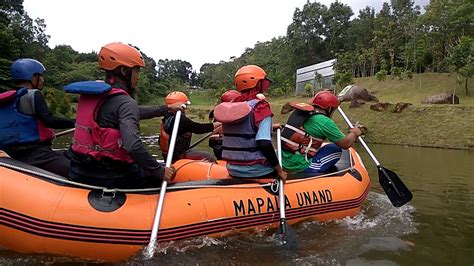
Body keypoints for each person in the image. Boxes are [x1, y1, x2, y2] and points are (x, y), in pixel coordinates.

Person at [65, 42, 176, 188]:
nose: (138, 77)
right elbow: (133, 146)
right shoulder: (124, 102)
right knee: (168, 178)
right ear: (124, 71)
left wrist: (165, 109)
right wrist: (160, 171)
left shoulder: (95, 96)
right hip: (112, 175)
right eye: (136, 71)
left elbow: (129, 113)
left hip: (79, 170)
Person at [0, 58, 75, 176]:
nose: (42, 79)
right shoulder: (33, 94)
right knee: (77, 170)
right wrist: (75, 122)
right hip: (36, 154)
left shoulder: (9, 99)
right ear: (32, 77)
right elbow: (48, 120)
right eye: (40, 76)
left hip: (12, 153)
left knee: (65, 154)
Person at [213, 65, 287, 182]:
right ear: (259, 84)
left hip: (233, 169)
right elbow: (264, 143)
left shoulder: (232, 106)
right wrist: (279, 170)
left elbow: (245, 128)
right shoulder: (261, 107)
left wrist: (270, 127)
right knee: (282, 160)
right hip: (258, 171)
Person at [281, 90, 363, 174]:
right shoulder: (324, 121)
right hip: (298, 166)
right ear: (330, 108)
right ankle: (310, 171)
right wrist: (355, 132)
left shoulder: (298, 112)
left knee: (320, 146)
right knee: (335, 148)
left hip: (283, 160)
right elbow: (345, 144)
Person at [159, 91, 221, 162]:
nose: (186, 108)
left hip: (168, 155)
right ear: (180, 105)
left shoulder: (166, 118)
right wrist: (215, 125)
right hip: (178, 155)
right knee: (209, 157)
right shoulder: (180, 119)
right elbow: (198, 128)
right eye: (185, 105)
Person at [208, 90, 240, 160]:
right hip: (222, 147)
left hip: (224, 147)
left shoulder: (217, 112)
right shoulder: (220, 115)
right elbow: (212, 136)